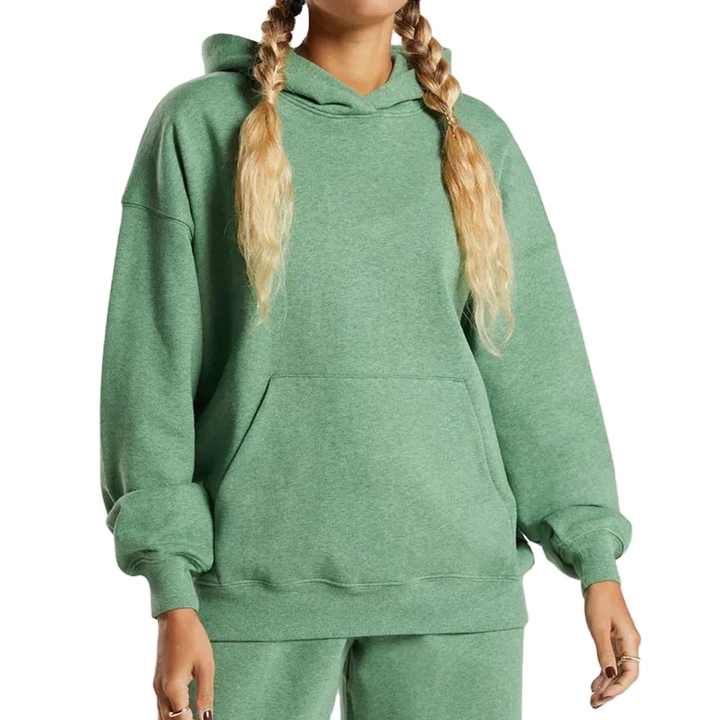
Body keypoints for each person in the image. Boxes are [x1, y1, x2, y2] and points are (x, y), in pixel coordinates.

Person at [100, 1, 641, 718]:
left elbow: (539, 366)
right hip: (253, 580)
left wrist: (596, 563)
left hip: (456, 584)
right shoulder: (201, 124)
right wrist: (171, 586)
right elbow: (152, 369)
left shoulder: (474, 138)